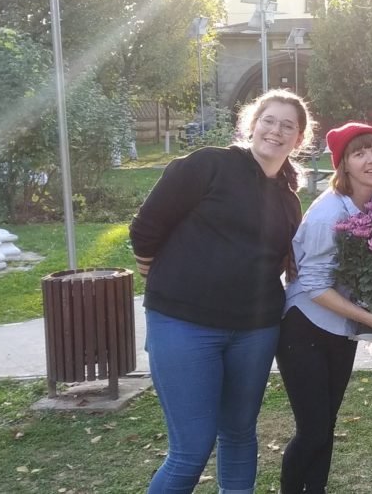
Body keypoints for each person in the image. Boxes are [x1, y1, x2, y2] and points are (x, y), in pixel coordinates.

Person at [130, 89, 312, 494]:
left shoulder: (288, 200)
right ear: (252, 124)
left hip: (255, 331)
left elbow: (285, 263)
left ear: (299, 139)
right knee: (190, 450)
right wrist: (151, 269)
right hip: (183, 326)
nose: (276, 131)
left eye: (288, 126)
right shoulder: (208, 165)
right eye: (269, 120)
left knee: (239, 434)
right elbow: (145, 228)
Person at [276, 122, 372, 494]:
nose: (371, 159)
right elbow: (312, 285)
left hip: (340, 330)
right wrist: (370, 318)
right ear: (342, 165)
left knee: (326, 426)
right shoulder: (329, 212)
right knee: (312, 429)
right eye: (358, 153)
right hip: (305, 328)